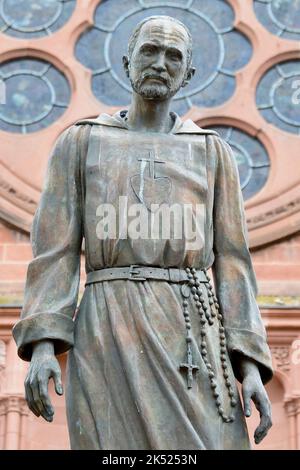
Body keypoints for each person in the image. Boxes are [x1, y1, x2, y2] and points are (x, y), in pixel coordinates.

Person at [13, 15, 273, 450]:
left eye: (173, 56)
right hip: (107, 324)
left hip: (192, 331)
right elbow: (54, 252)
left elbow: (233, 264)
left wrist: (248, 364)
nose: (159, 63)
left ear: (188, 74)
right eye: (149, 51)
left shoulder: (211, 151)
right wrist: (42, 345)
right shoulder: (80, 143)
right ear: (125, 60)